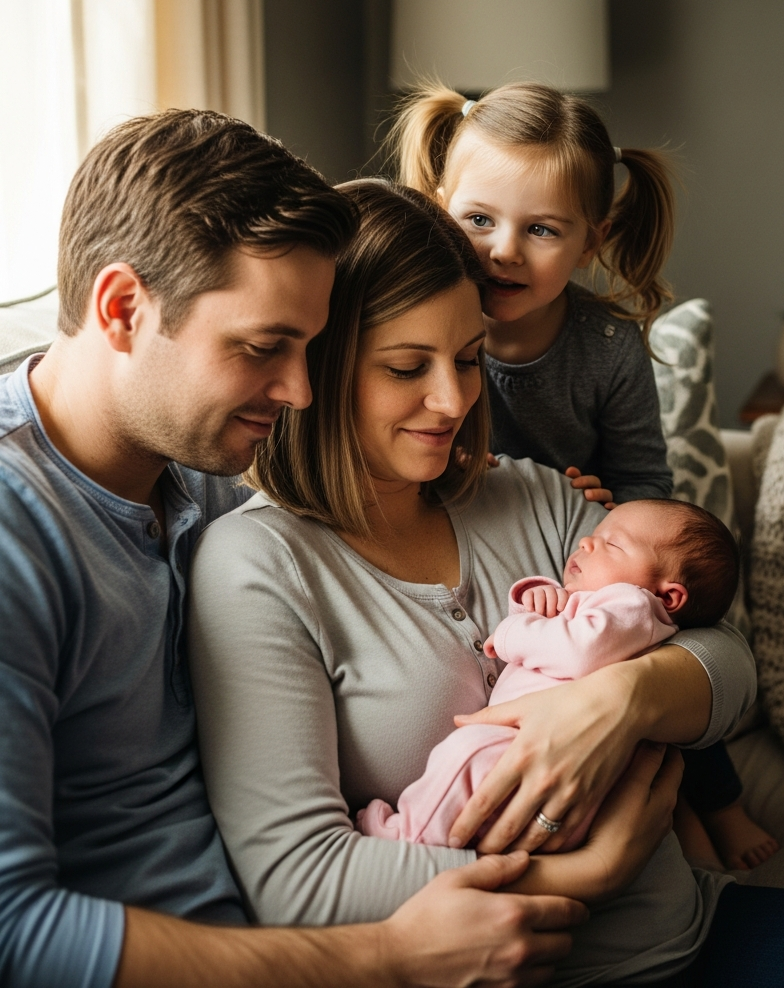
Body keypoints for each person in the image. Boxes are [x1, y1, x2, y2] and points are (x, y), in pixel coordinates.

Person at [188, 179, 784, 988]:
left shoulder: (532, 495)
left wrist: (619, 703)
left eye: (469, 359)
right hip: (521, 967)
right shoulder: (259, 567)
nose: (451, 400)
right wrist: (586, 875)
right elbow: (299, 881)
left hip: (692, 932)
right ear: (317, 368)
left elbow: (730, 665)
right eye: (408, 367)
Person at [0, 111, 588, 988]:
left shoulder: (202, 462)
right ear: (122, 309)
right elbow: (14, 933)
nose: (301, 391)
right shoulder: (19, 532)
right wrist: (387, 956)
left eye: (310, 348)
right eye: (263, 349)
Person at [387, 80, 776, 872]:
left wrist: (614, 513)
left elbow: (644, 479)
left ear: (592, 241)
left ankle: (718, 804)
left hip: (588, 545)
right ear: (439, 209)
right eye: (479, 220)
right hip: (483, 534)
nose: (503, 250)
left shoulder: (606, 347)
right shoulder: (423, 332)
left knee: (653, 650)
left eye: (541, 230)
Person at [357, 499, 739, 849]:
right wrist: (541, 599)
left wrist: (512, 631)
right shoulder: (610, 611)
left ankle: (405, 834)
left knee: (463, 754)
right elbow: (567, 631)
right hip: (546, 767)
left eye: (612, 544)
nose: (587, 541)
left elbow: (578, 650)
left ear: (668, 596)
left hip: (532, 750)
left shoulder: (633, 605)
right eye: (596, 533)